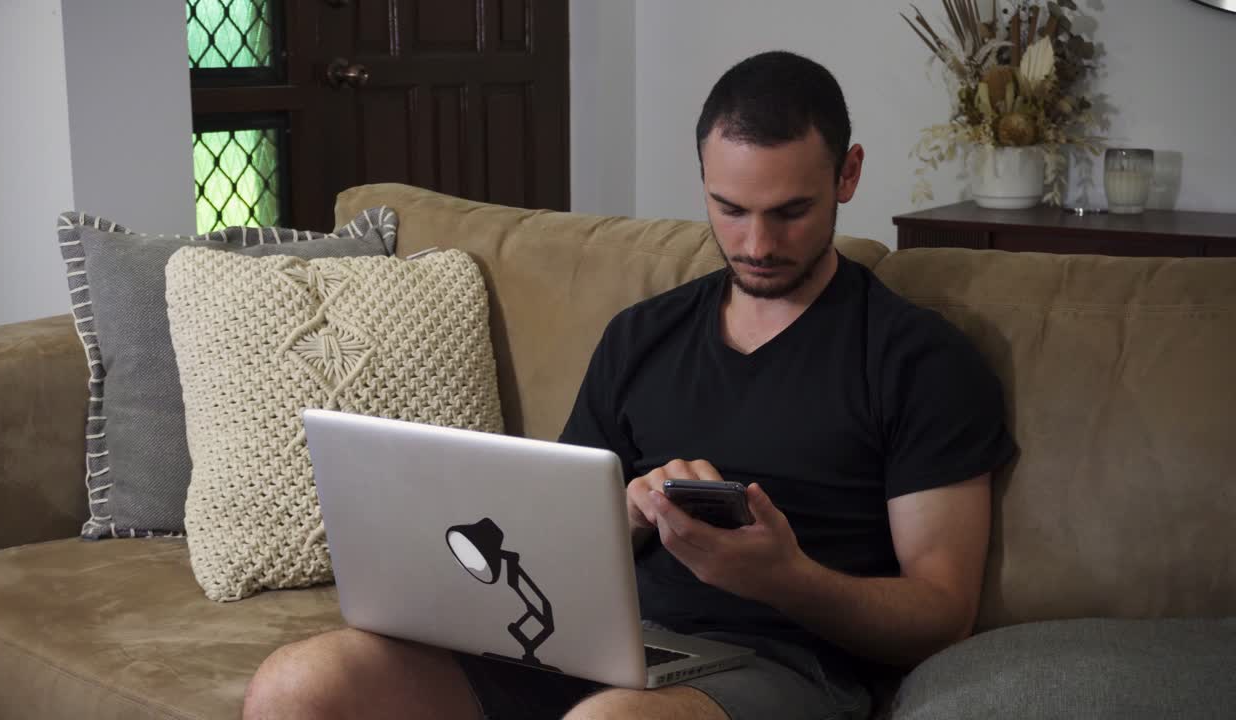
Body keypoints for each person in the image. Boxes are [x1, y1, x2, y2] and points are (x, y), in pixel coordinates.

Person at [243, 50, 1017, 720]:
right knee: (298, 685)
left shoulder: (919, 361)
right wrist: (630, 515)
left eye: (791, 213)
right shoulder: (643, 335)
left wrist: (788, 579)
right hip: (591, 645)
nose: (757, 244)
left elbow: (940, 614)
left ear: (847, 175)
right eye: (730, 208)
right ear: (703, 181)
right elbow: (556, 536)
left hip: (783, 667)